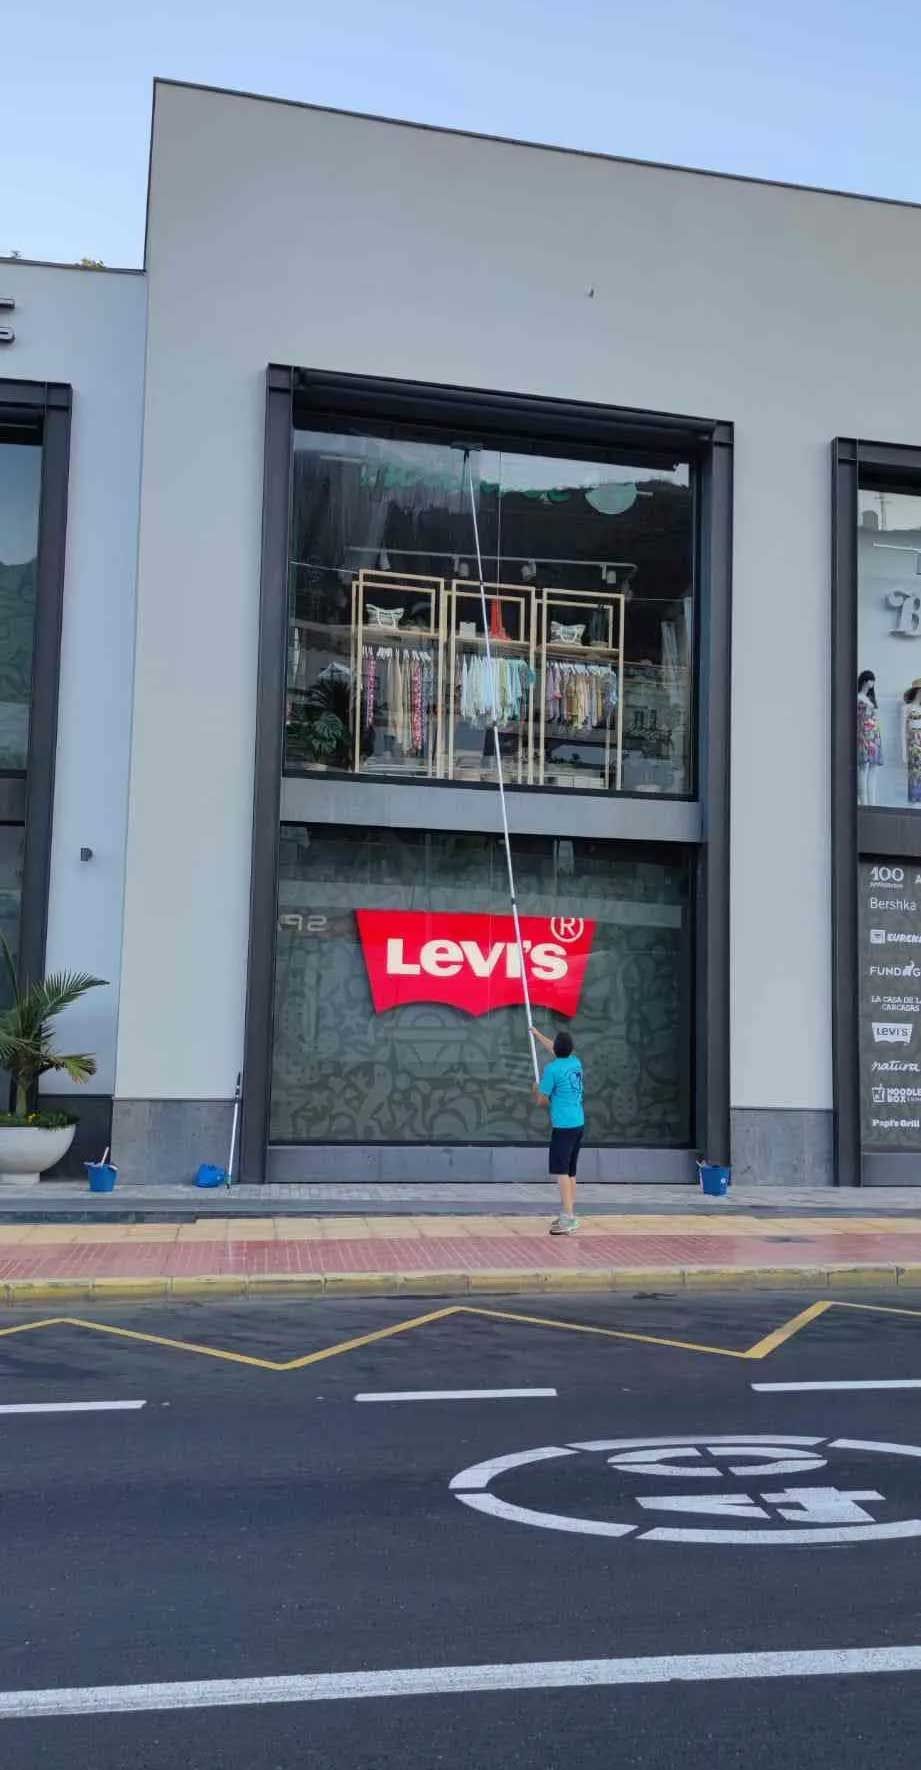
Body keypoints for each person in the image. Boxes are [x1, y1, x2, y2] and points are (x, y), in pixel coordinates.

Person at [530, 1024, 585, 1235]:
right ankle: (569, 1213)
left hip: (563, 1126)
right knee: (571, 1171)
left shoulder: (552, 1070)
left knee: (561, 1171)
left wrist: (536, 1090)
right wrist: (537, 1035)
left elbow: (542, 1102)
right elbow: (555, 1048)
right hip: (578, 1123)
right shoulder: (575, 1062)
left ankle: (568, 1217)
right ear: (570, 1049)